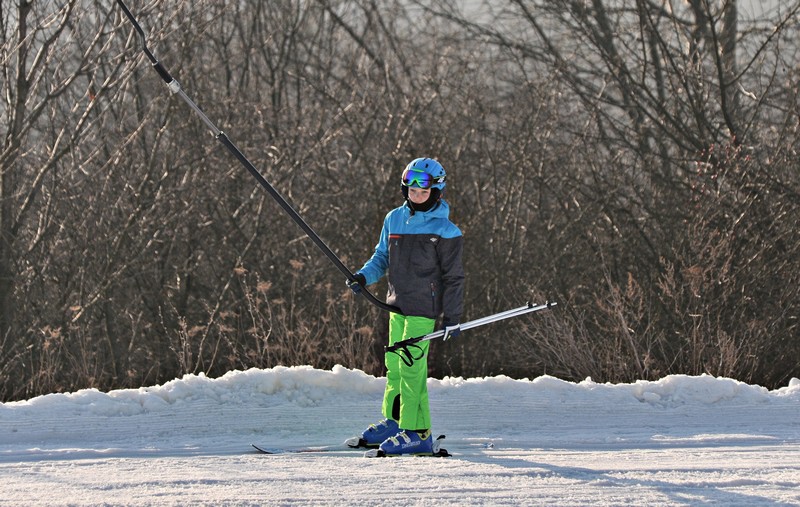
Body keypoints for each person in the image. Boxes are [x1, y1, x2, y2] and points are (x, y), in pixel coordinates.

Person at [346, 157, 464, 456]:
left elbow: (454, 277)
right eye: (411, 190)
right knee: (395, 368)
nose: (416, 196)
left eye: (423, 192)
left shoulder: (447, 230)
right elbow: (380, 258)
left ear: (437, 192)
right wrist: (363, 276)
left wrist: (452, 317)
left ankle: (417, 431)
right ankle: (395, 422)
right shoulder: (394, 219)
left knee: (412, 370)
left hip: (424, 308)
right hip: (396, 305)